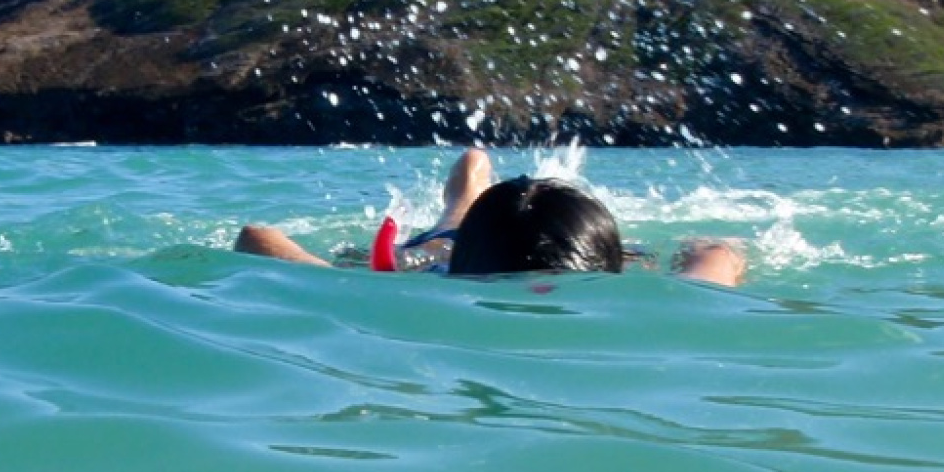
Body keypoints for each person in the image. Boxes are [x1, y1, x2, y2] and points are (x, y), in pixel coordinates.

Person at [235, 148, 745, 285]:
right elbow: (717, 254)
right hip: (454, 256)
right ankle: (468, 187)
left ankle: (471, 181)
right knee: (449, 232)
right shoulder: (442, 272)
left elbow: (256, 235)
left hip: (475, 253)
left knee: (458, 229)